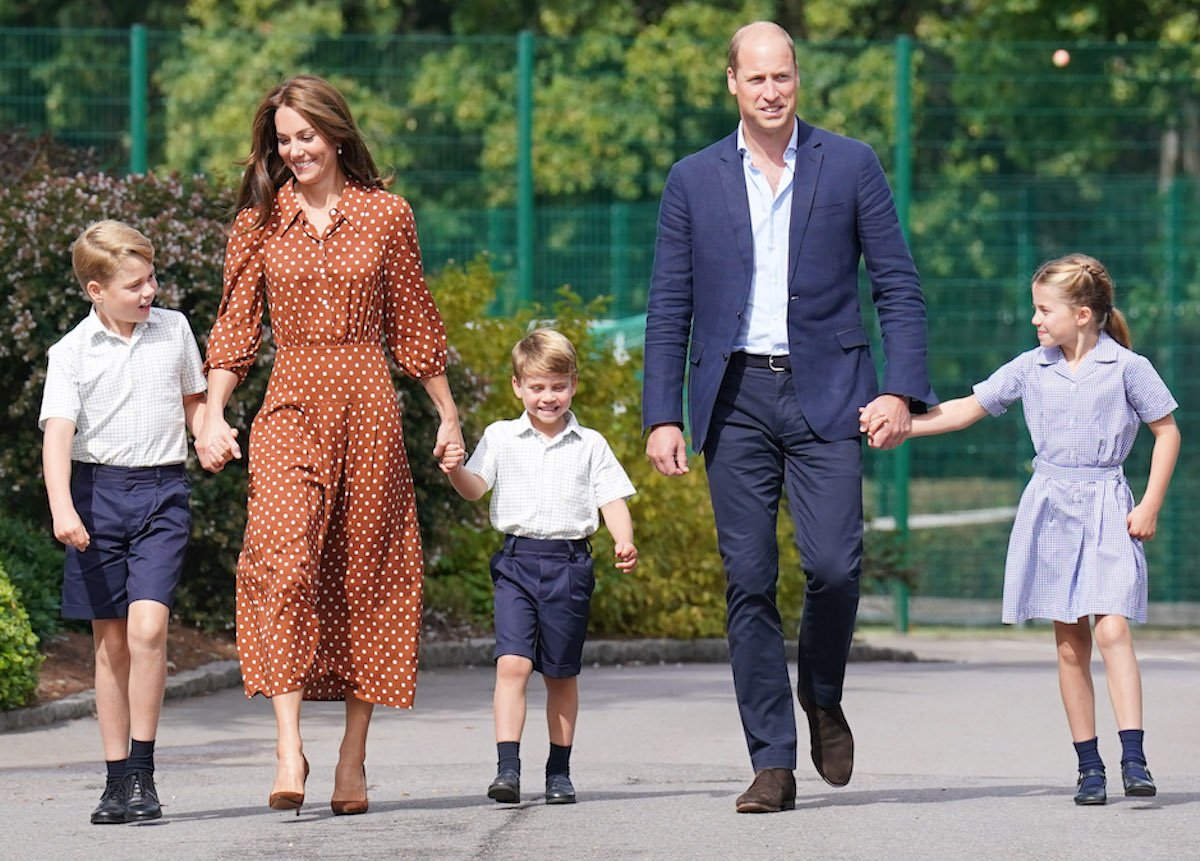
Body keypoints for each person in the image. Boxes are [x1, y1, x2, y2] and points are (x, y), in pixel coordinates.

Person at [642, 21, 936, 813]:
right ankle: (772, 760)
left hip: (833, 392)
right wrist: (660, 415)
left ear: (797, 79)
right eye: (757, 79)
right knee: (748, 581)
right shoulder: (693, 179)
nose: (772, 92)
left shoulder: (851, 163)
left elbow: (898, 287)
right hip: (733, 398)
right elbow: (669, 303)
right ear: (731, 83)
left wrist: (900, 392)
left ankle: (824, 694)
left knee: (836, 566)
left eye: (784, 77)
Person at [194, 74, 463, 816]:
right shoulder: (259, 222)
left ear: (336, 134)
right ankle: (288, 746)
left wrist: (447, 416)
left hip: (370, 404)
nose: (295, 150)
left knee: (363, 572)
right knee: (279, 559)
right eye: (283, 140)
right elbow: (236, 328)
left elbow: (413, 323)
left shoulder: (387, 215)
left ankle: (352, 757)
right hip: (290, 403)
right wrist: (214, 414)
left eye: (306, 136)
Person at [865, 253, 1180, 806]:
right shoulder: (1030, 367)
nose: (1035, 319)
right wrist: (904, 426)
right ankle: (1089, 768)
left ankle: (1134, 755)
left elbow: (1167, 431)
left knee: (1112, 630)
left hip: (1108, 505)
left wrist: (1150, 503)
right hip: (1051, 508)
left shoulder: (1129, 368)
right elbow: (966, 409)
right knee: (1068, 643)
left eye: (1043, 309)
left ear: (1082, 314)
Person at [39, 220, 208, 824]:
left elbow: (194, 400)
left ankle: (143, 773)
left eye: (152, 278)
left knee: (147, 631)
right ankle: (115, 782)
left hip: (162, 491)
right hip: (95, 496)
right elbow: (58, 435)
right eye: (135, 284)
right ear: (95, 289)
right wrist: (63, 506)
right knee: (110, 644)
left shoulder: (175, 330)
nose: (149, 293)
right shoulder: (71, 353)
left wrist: (208, 432)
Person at [439, 328, 637, 805]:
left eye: (558, 385)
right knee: (512, 664)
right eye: (537, 387)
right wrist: (453, 469)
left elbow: (611, 497)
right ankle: (508, 769)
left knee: (560, 674)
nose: (548, 397)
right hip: (517, 562)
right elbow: (475, 487)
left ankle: (559, 772)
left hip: (569, 565)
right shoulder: (500, 436)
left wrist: (623, 539)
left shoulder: (590, 443)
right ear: (517, 387)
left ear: (573, 385)